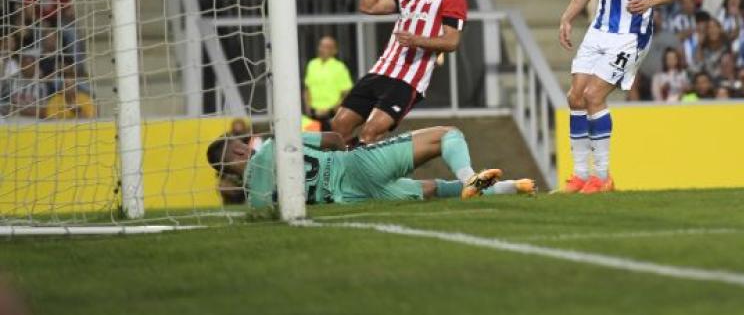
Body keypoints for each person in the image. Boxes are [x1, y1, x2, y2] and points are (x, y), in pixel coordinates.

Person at [558, 0, 682, 193]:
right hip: (599, 28)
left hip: (632, 34)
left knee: (593, 96)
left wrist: (649, 1)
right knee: (574, 97)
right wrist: (569, 15)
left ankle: (603, 176)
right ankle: (580, 176)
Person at [332, 0, 467, 144]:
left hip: (408, 79)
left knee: (371, 132)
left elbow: (451, 42)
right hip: (380, 70)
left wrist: (416, 40)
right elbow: (368, 5)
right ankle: (348, 173)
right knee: (338, 127)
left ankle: (367, 175)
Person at [207, 126, 531, 208]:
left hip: (351, 199)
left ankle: (509, 188)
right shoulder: (278, 142)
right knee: (446, 135)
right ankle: (470, 177)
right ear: (239, 146)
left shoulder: (258, 200)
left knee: (432, 189)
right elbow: (333, 138)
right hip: (353, 166)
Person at [303, 35, 354, 133]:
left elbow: (346, 93)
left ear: (334, 51)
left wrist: (333, 109)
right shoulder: (312, 64)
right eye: (321, 46)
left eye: (327, 47)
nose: (322, 49)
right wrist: (308, 109)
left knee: (331, 144)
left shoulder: (340, 67)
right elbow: (307, 89)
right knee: (312, 143)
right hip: (313, 115)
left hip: (331, 115)